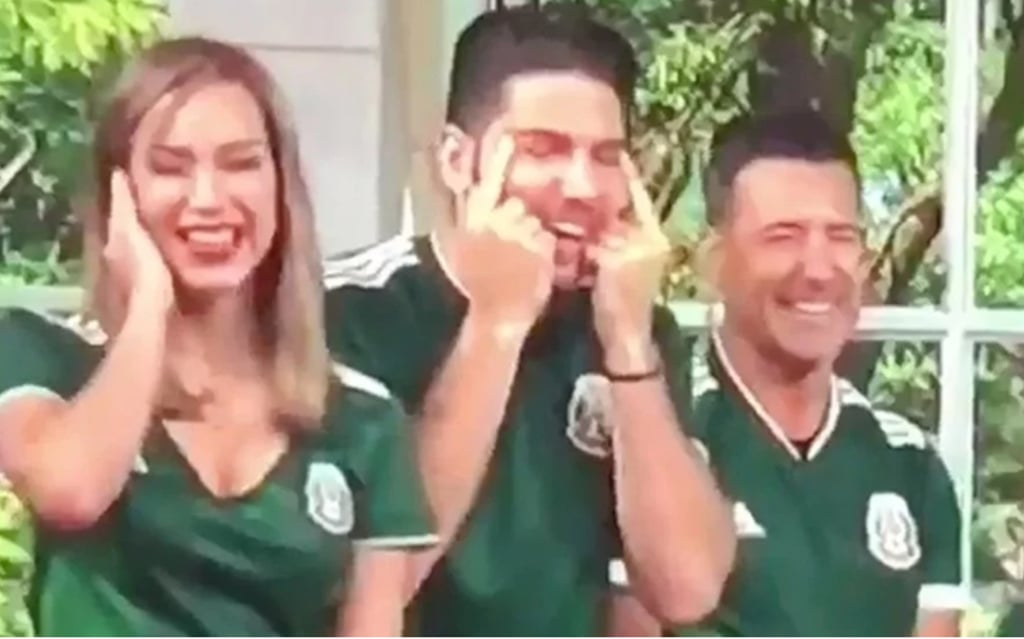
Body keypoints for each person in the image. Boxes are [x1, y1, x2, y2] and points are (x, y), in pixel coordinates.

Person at [0, 37, 435, 636]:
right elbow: (71, 491)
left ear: (281, 186)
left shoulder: (362, 418)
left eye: (241, 163)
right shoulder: (43, 354)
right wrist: (149, 301)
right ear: (118, 193)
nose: (209, 200)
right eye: (170, 167)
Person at [323, 5, 735, 636]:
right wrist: (496, 324)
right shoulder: (349, 311)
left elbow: (687, 588)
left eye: (606, 156)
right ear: (457, 162)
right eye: (542, 149)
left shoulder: (631, 325)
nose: (581, 186)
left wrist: (628, 345)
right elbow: (377, 583)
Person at [609, 109, 967, 636]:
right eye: (783, 237)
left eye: (841, 237)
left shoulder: (910, 463)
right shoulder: (659, 435)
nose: (819, 270)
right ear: (712, 260)